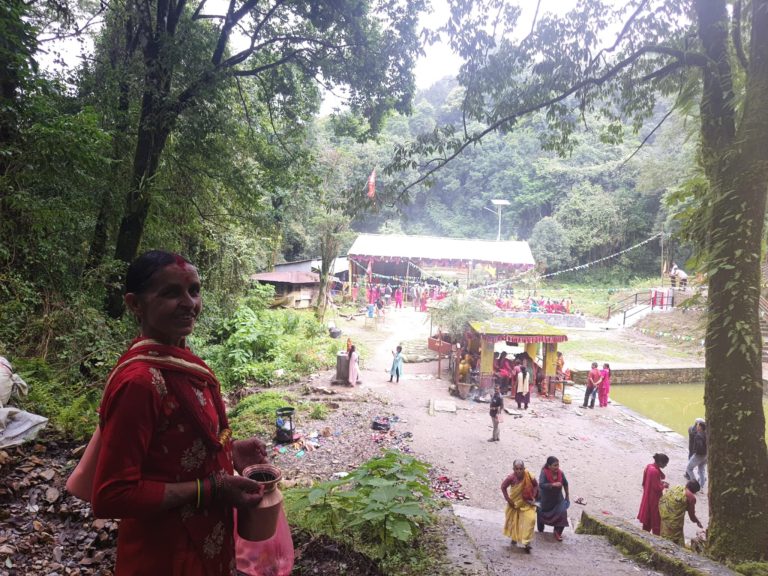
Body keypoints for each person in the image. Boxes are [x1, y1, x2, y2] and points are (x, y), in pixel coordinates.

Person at [91, 250, 268, 575]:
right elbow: (111, 495)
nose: (189, 303)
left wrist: (230, 450)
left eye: (194, 290)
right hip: (164, 553)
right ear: (135, 304)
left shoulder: (180, 362)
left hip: (207, 541)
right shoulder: (141, 383)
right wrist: (211, 489)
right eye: (171, 293)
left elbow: (179, 445)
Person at [501, 460, 539, 553]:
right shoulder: (511, 478)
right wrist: (508, 500)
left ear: (524, 468)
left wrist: (533, 496)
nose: (519, 471)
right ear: (513, 469)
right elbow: (503, 487)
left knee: (531, 520)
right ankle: (514, 537)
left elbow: (536, 485)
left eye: (521, 469)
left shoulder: (529, 475)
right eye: (516, 469)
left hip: (527, 503)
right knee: (515, 521)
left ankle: (526, 542)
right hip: (515, 504)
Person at [659, 480, 703, 546]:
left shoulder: (677, 487)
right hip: (674, 522)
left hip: (664, 514)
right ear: (694, 491)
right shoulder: (691, 497)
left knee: (665, 535)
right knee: (674, 539)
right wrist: (697, 521)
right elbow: (692, 516)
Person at [537, 456, 570, 541]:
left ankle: (557, 532)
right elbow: (541, 484)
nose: (557, 467)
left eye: (558, 465)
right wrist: (552, 485)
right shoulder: (544, 473)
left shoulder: (561, 473)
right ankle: (540, 531)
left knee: (562, 513)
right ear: (549, 466)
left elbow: (565, 484)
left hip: (558, 499)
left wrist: (567, 495)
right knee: (541, 516)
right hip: (545, 500)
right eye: (555, 465)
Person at [637, 453, 670, 535]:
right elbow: (657, 488)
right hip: (654, 499)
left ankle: (644, 534)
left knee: (647, 518)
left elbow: (646, 482)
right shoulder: (654, 471)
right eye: (665, 464)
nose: (666, 465)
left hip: (647, 494)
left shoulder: (649, 467)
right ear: (660, 462)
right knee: (656, 519)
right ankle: (656, 536)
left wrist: (660, 482)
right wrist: (664, 485)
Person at [685, 420, 707, 488]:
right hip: (706, 455)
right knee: (701, 470)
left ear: (700, 427)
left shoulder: (698, 435)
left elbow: (700, 446)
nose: (697, 427)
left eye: (698, 426)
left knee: (689, 468)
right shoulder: (706, 434)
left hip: (699, 455)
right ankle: (701, 485)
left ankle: (694, 485)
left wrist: (696, 452)